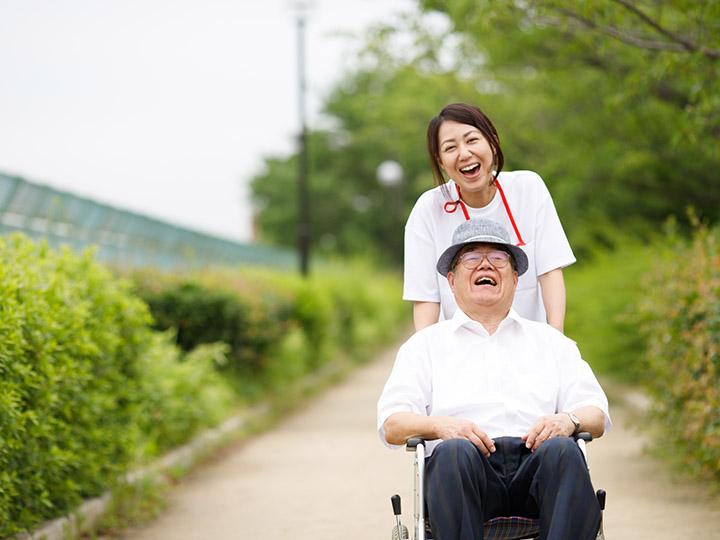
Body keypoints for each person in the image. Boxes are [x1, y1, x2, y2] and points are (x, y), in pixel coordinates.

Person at [379, 218, 611, 540]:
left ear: (515, 279)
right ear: (451, 279)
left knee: (564, 450)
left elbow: (596, 414)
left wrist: (569, 420)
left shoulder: (552, 343)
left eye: (499, 258)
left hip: (537, 467)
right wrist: (441, 426)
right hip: (465, 473)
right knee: (452, 453)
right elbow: (392, 424)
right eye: (472, 258)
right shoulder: (425, 346)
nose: (485, 264)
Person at [405, 102, 575, 332]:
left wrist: (556, 341)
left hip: (528, 347)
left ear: (493, 142)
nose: (464, 154)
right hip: (460, 353)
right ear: (441, 161)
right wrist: (426, 359)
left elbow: (550, 270)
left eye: (472, 140)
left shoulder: (528, 188)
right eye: (450, 147)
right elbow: (426, 298)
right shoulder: (428, 209)